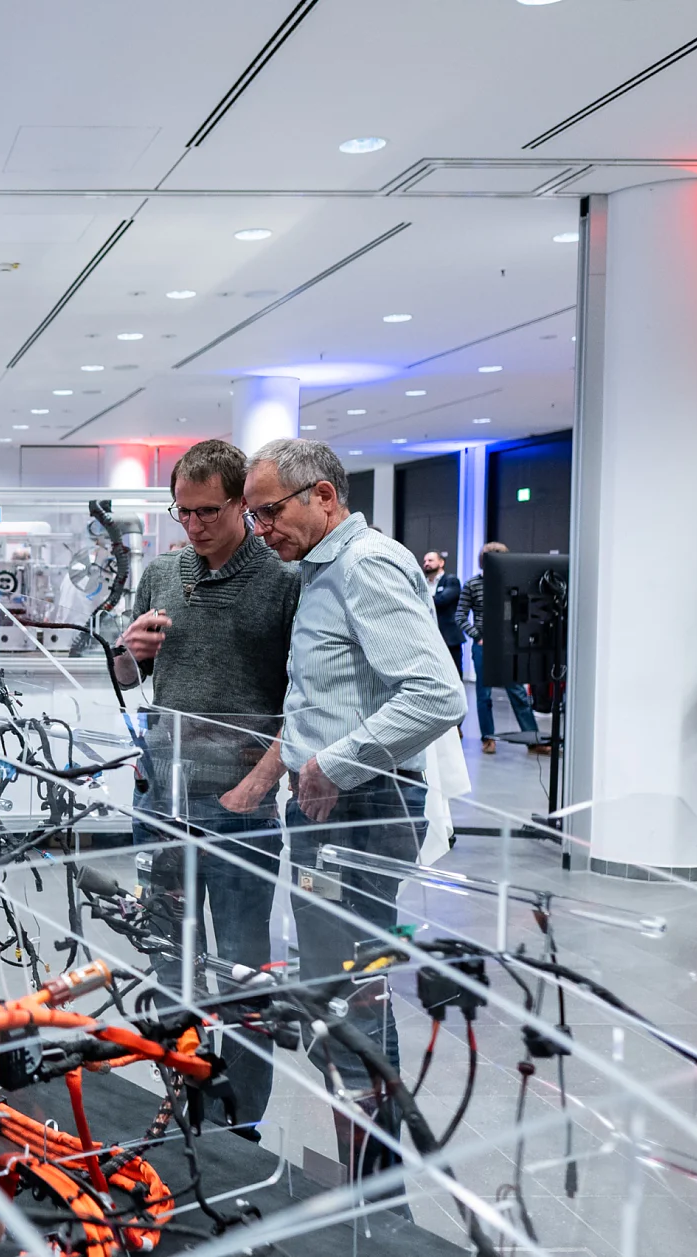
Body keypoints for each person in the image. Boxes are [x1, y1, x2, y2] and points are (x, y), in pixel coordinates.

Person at [244, 439, 465, 1184]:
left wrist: (333, 763)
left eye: (269, 510)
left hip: (359, 806)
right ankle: (366, 1186)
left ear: (325, 497)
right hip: (330, 809)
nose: (261, 527)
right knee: (338, 998)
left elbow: (437, 695)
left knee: (351, 1002)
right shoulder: (321, 571)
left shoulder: (365, 564)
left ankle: (380, 1202)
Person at [111, 439, 299, 1130]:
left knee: (245, 965)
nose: (192, 525)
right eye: (181, 512)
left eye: (207, 512)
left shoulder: (284, 581)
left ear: (242, 503)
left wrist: (256, 784)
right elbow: (130, 679)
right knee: (167, 956)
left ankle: (240, 1120)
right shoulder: (162, 574)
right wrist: (128, 654)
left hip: (243, 806)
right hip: (163, 800)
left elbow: (304, 698)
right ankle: (181, 1094)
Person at [456, 541, 542, 755]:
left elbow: (523, 614)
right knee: (483, 696)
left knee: (518, 693)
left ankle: (533, 738)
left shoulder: (513, 584)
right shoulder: (472, 584)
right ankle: (488, 738)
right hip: (483, 646)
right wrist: (477, 636)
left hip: (509, 645)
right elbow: (460, 616)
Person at [423, 551, 465, 675]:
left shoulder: (451, 581)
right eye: (425, 561)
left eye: (430, 561)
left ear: (441, 562)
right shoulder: (422, 582)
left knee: (454, 673)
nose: (426, 564)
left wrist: (422, 599)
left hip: (449, 636)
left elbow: (442, 600)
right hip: (428, 636)